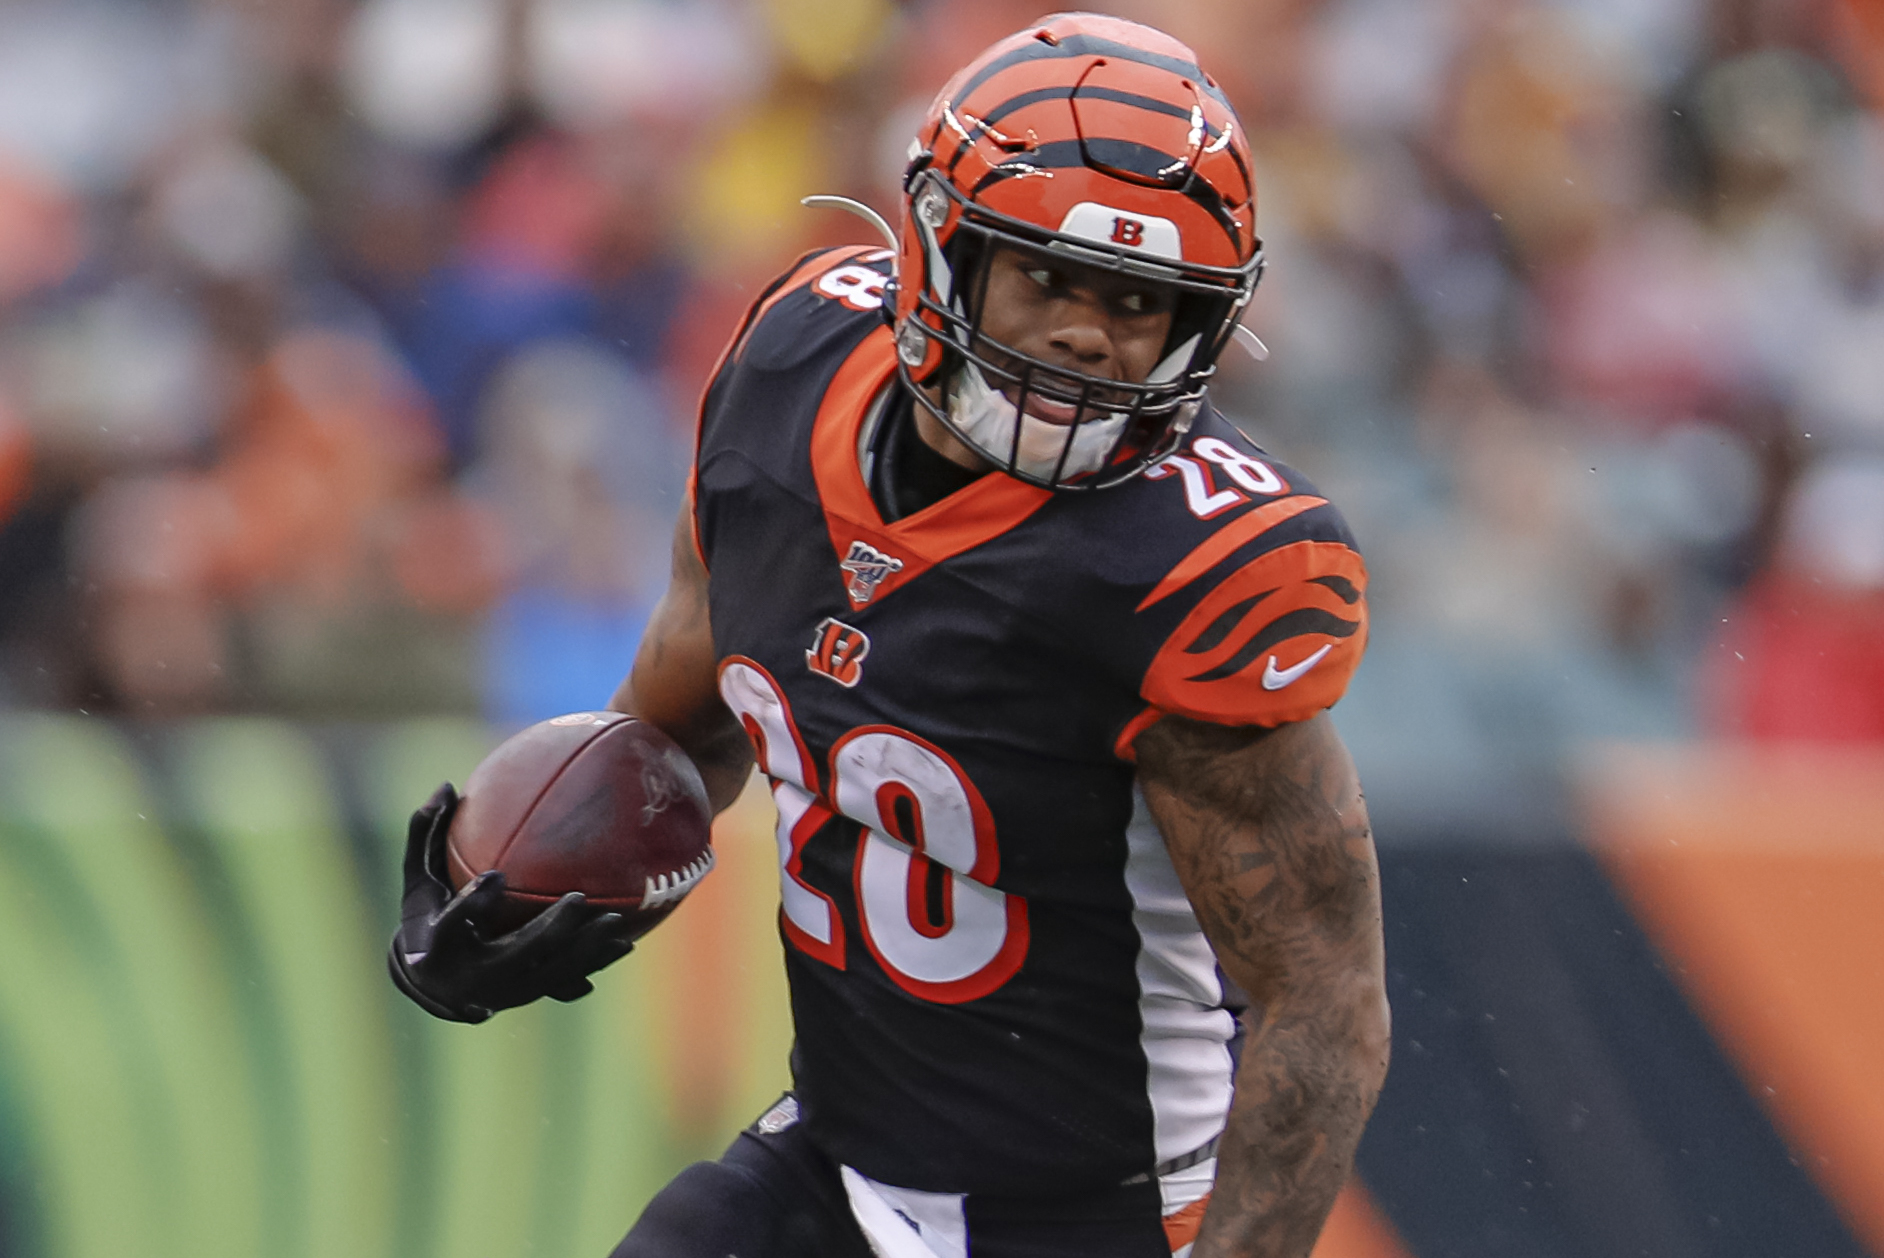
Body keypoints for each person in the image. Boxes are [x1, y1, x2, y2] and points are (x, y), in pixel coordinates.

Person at [389, 14, 1390, 1257]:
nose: (1089, 334)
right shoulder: (788, 374)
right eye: (1049, 277)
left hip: (1098, 1220)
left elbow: (1324, 998)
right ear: (937, 254)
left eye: (1139, 302)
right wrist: (534, 884)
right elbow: (685, 732)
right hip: (838, 1161)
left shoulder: (1190, 568)